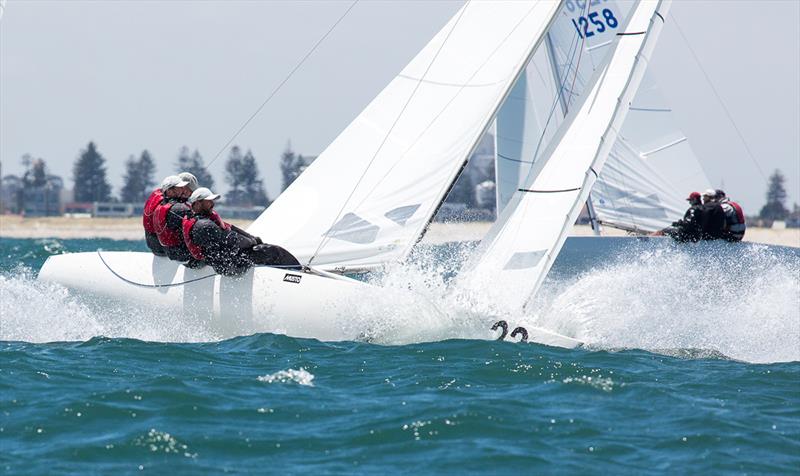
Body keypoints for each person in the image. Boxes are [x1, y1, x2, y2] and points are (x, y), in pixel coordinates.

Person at [182, 188, 301, 276]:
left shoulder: (201, 220)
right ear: (197, 204)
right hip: (230, 266)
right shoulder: (204, 226)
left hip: (227, 260)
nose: (212, 204)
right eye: (208, 201)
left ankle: (288, 273)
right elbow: (232, 240)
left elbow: (231, 229)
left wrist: (252, 238)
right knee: (271, 251)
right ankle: (298, 273)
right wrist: (253, 242)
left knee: (259, 249)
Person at [152, 175, 196, 263]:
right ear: (170, 191)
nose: (183, 189)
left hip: (171, 252)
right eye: (180, 187)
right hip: (183, 255)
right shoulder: (179, 209)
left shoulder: (161, 205)